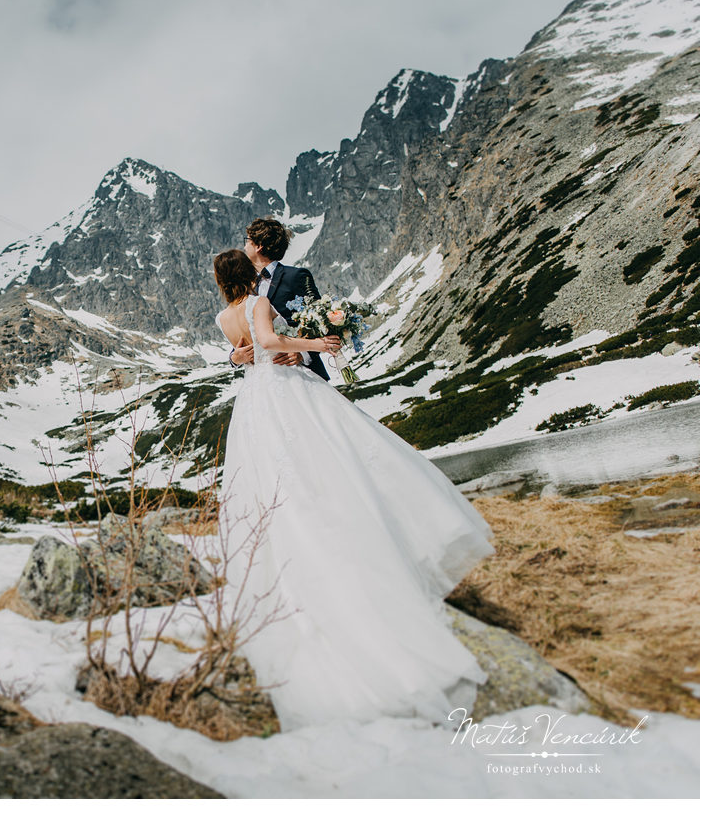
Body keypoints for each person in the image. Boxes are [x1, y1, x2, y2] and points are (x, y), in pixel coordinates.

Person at [212, 246, 495, 730]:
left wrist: (256, 353)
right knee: (332, 456)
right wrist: (316, 347)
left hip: (255, 400)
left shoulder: (221, 317)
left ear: (221, 280)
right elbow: (264, 340)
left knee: (274, 479)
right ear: (249, 272)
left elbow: (244, 353)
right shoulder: (259, 303)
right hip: (284, 393)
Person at [227, 217, 331, 382]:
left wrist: (302, 355)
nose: (244, 246)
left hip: (300, 374)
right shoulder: (244, 287)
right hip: (264, 379)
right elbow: (244, 331)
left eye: (248, 241)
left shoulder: (295, 276)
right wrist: (234, 358)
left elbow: (320, 322)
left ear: (259, 246)